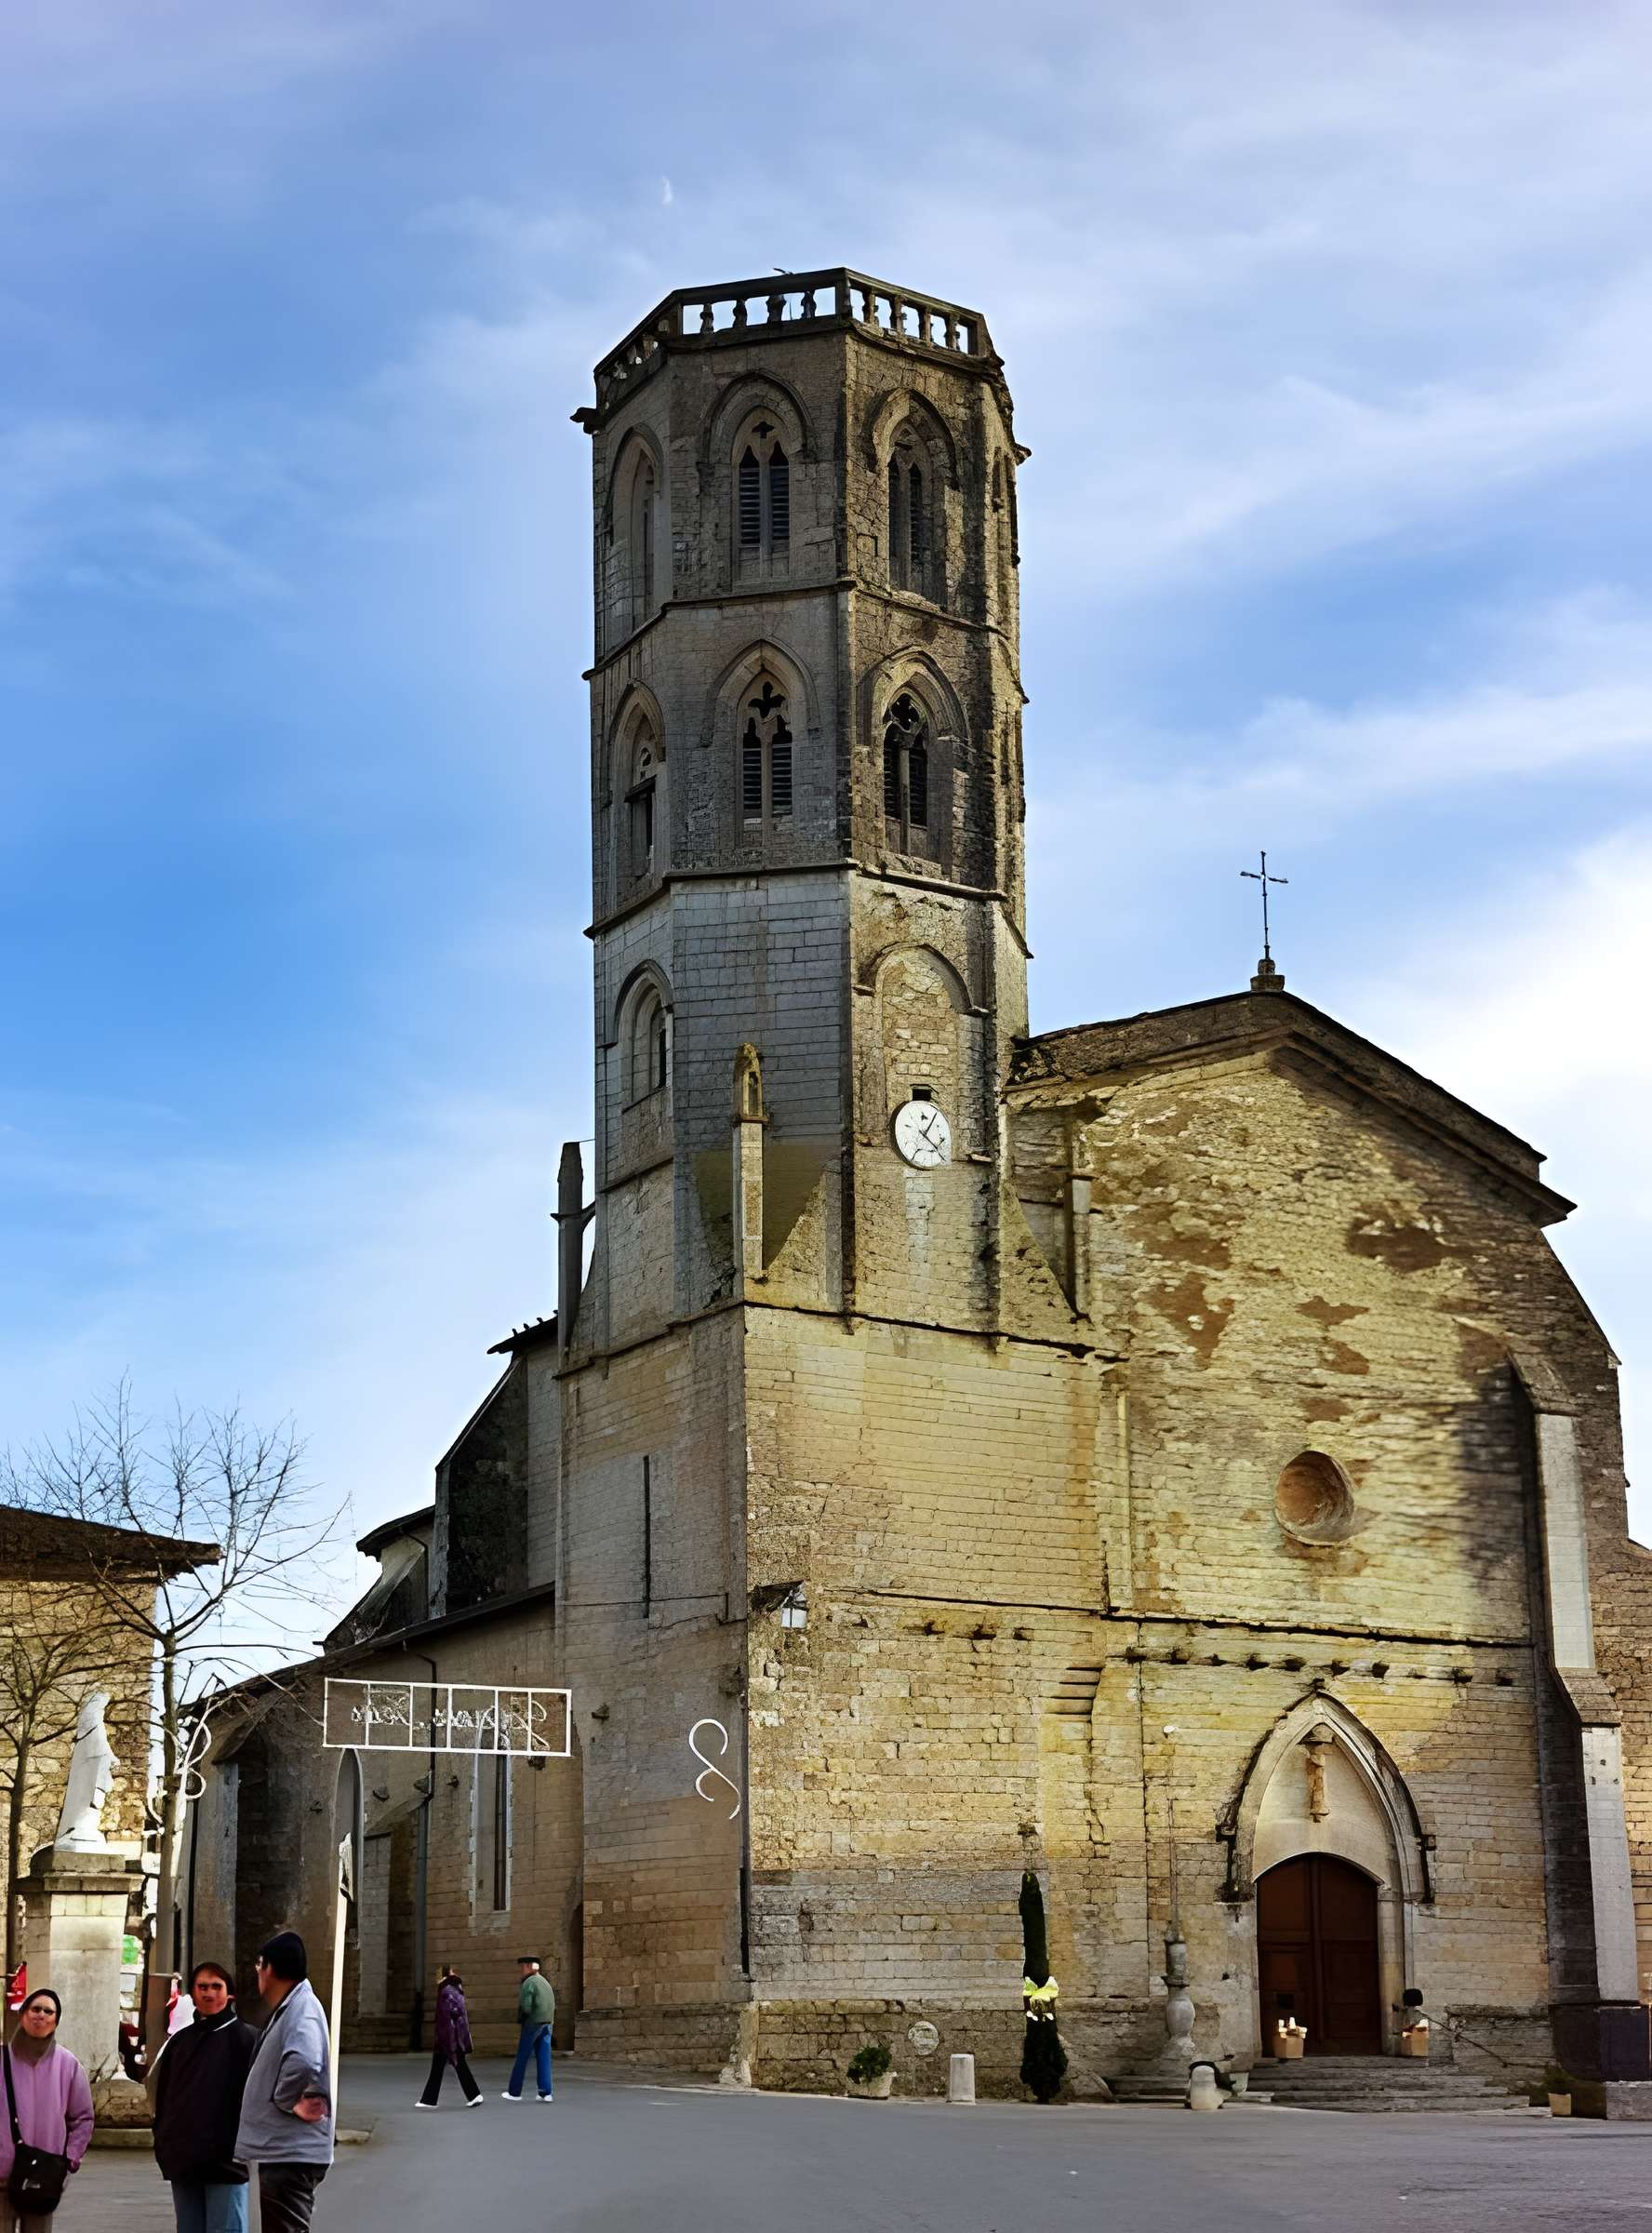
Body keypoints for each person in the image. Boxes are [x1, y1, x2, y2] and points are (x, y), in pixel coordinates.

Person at [233, 1933, 333, 2233]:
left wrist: (286, 2099)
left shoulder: (302, 2008)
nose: (257, 1972)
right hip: (283, 2150)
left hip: (289, 2153)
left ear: (270, 1968)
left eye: (259, 1964)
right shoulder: (293, 2006)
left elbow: (304, 2060)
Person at [151, 1961, 258, 2233]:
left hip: (227, 2162)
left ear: (229, 1993)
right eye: (202, 1987)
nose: (208, 1993)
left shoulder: (247, 2040)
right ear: (193, 1993)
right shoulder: (180, 2042)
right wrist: (163, 2139)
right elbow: (165, 2098)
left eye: (216, 1986)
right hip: (184, 2158)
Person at [0, 1987, 93, 2231]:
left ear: (56, 2021)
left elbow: (83, 2118)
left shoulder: (69, 2065)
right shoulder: (2, 2060)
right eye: (35, 2009)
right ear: (23, 2014)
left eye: (48, 2011)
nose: (41, 2015)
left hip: (43, 2177)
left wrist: (69, 2159)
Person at [416, 1968, 482, 2109]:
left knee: (457, 2064)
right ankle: (429, 2100)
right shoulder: (456, 1987)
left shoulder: (446, 1989)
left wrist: (445, 2035)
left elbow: (446, 2014)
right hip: (453, 2034)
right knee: (439, 2067)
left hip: (449, 2035)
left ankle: (474, 2095)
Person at [501, 1957, 554, 2103]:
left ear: (529, 1967)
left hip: (533, 2023)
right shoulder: (545, 1982)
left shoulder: (529, 1982)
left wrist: (523, 2019)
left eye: (523, 1967)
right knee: (544, 2058)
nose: (522, 1970)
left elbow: (526, 2006)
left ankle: (514, 2092)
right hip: (547, 2023)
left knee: (522, 2057)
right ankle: (546, 2093)